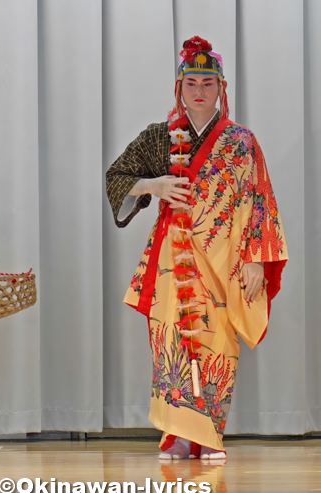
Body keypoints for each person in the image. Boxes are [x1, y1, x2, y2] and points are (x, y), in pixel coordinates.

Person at [105, 37, 288, 460]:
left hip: (226, 259)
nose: (200, 92)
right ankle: (177, 434)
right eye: (192, 84)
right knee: (171, 339)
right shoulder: (160, 139)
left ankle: (208, 435)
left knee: (216, 341)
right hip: (174, 256)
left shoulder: (242, 141)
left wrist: (258, 259)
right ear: (179, 88)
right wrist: (155, 185)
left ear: (221, 87)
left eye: (208, 83)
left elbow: (261, 200)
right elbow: (117, 177)